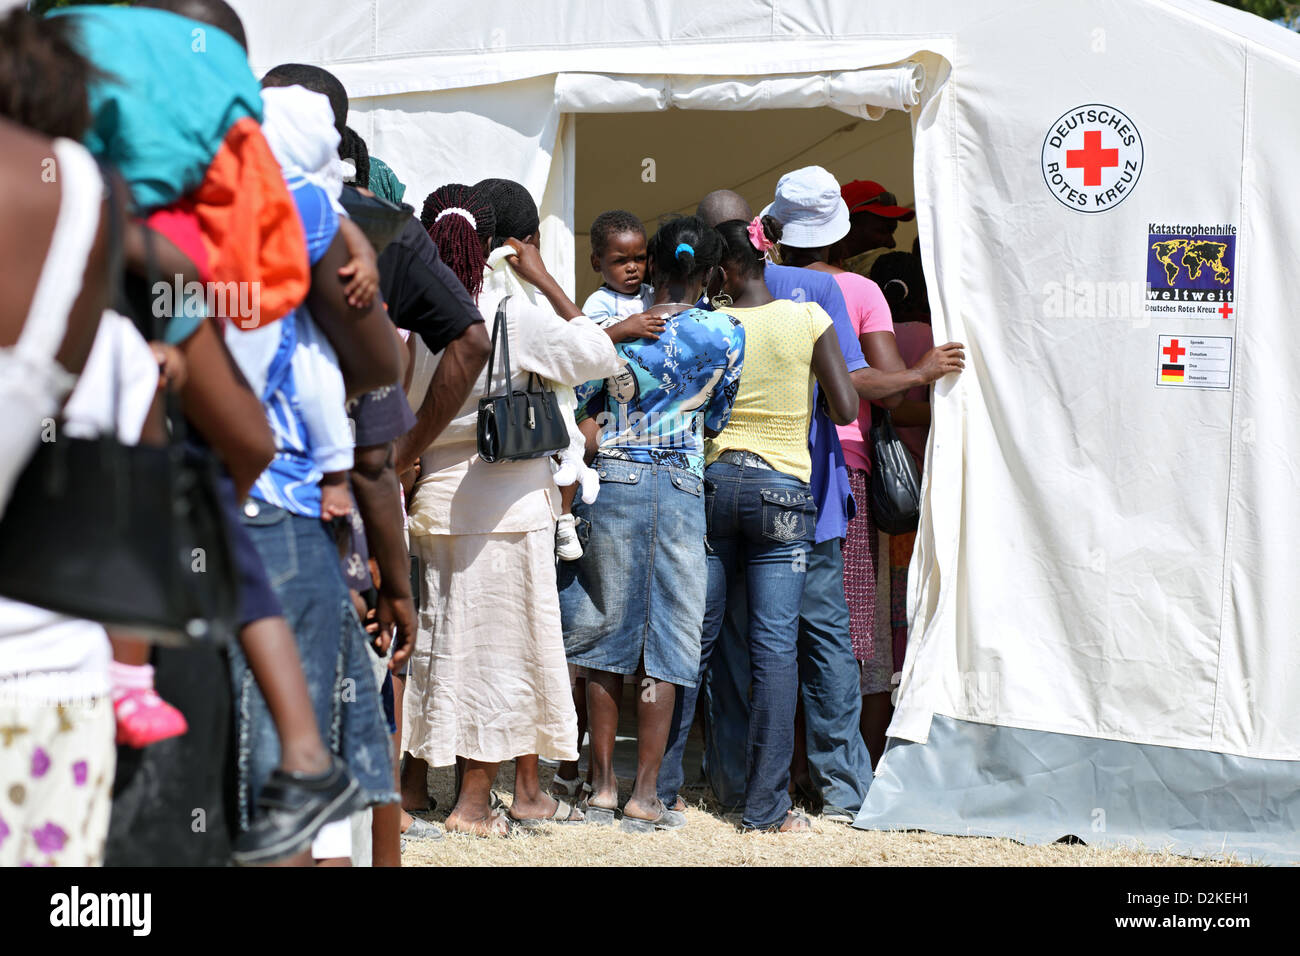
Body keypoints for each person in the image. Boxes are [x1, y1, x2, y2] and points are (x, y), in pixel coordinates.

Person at [401, 179, 620, 836]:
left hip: (432, 505)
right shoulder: (510, 315)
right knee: (497, 656)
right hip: (509, 508)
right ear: (492, 244)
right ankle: (472, 805)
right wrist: (549, 280)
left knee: (438, 650)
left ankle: (410, 789)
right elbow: (600, 356)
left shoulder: (403, 316)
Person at [661, 216, 859, 833]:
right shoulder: (807, 320)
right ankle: (766, 809)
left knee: (696, 641)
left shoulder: (713, 325)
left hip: (714, 488)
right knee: (777, 650)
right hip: (783, 495)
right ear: (765, 255)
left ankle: (659, 790)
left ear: (719, 271)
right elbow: (847, 405)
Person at [771, 168, 964, 769]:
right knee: (856, 636)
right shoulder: (859, 291)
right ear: (842, 230)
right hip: (842, 473)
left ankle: (784, 765)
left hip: (767, 465)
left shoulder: (756, 283)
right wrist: (922, 376)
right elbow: (876, 388)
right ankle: (853, 768)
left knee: (776, 623)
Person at [559, 216, 744, 831]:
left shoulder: (623, 330)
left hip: (613, 482)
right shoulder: (727, 332)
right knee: (667, 642)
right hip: (685, 486)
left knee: (607, 630)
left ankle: (602, 786)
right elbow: (716, 416)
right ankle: (647, 795)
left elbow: (583, 394)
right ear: (713, 273)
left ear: (654, 266)